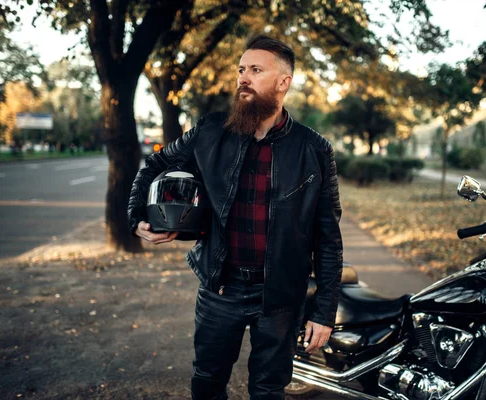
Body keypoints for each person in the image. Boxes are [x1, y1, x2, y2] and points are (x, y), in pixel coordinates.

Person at [127, 34, 343, 400]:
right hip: (220, 289)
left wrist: (323, 311)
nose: (244, 77)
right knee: (208, 382)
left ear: (283, 82)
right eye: (241, 69)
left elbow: (328, 239)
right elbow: (155, 164)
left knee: (268, 390)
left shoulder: (314, 149)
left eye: (256, 70)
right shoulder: (211, 131)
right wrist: (138, 218)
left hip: (279, 297)